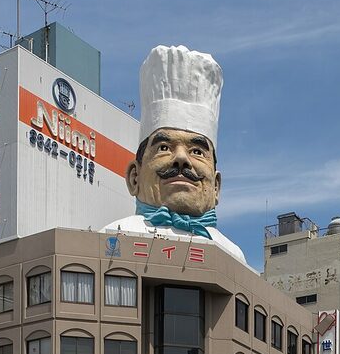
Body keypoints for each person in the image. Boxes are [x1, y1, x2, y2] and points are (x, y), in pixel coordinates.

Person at [103, 46, 246, 265]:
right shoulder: (113, 237)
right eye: (164, 147)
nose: (181, 159)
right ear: (134, 177)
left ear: (216, 187)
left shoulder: (231, 255)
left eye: (197, 151)